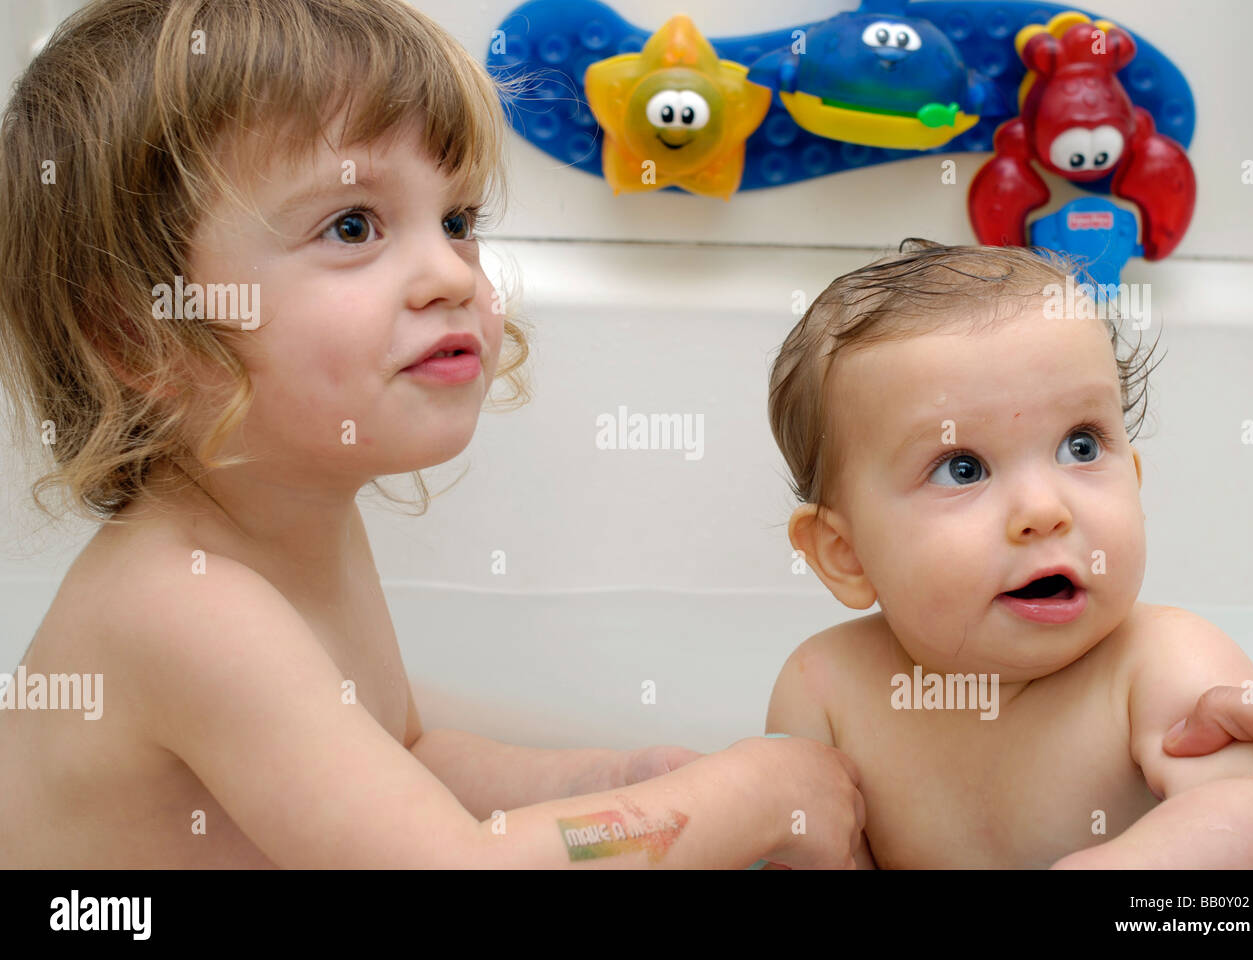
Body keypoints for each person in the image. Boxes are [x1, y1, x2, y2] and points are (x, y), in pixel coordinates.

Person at [0, 0, 867, 869]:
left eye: (457, 222)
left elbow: (405, 762)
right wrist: (747, 800)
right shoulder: (185, 609)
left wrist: (615, 776)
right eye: (352, 226)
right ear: (139, 334)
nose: (448, 275)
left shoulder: (294, 523)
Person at [764, 239, 1253, 867]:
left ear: (1134, 474)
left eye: (1080, 445)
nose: (1044, 510)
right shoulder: (827, 690)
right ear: (845, 553)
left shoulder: (1161, 662)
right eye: (962, 469)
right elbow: (803, 846)